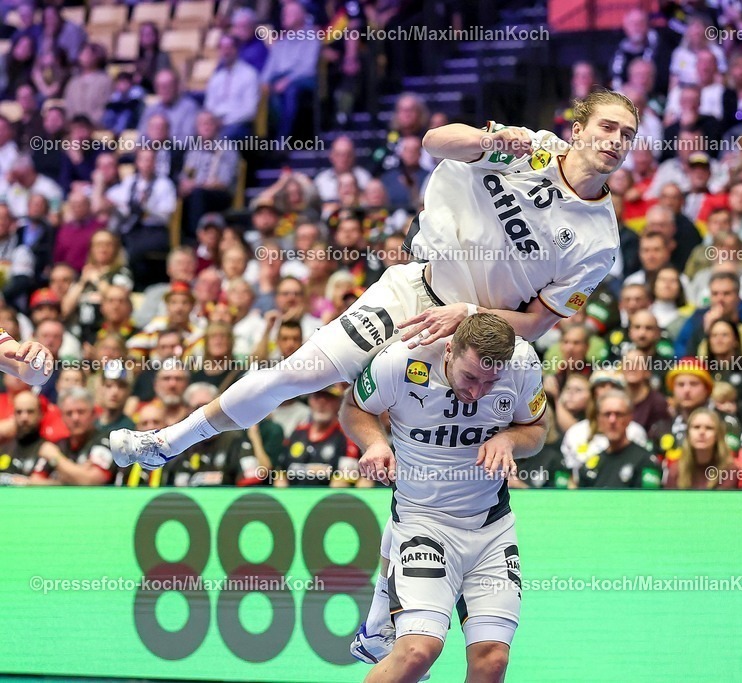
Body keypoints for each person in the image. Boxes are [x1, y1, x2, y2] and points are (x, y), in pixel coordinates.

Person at [111, 90, 638, 470]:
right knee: (295, 374)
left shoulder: (599, 242)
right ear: (579, 129)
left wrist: (471, 317)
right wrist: (487, 138)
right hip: (413, 290)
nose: (615, 141)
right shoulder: (530, 149)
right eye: (608, 127)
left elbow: (537, 323)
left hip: (470, 338)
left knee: (433, 462)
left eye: (628, 136)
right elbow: (434, 141)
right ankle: (169, 442)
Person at [341, 314, 547, 681]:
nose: (477, 393)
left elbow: (537, 429)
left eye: (490, 382)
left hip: (490, 528)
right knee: (418, 652)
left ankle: (379, 607)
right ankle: (381, 612)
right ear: (450, 349)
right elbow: (355, 408)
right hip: (423, 523)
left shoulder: (523, 362)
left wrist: (509, 438)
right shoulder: (403, 358)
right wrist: (374, 443)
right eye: (470, 378)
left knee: (492, 660)